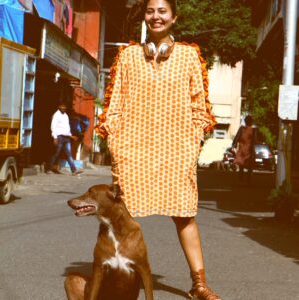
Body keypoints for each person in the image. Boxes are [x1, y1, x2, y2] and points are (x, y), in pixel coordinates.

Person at [96, 0, 220, 299]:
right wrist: (116, 139)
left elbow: (199, 106)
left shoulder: (190, 56)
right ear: (145, 17)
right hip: (132, 148)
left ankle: (199, 284)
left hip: (176, 149)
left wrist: (192, 141)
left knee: (185, 215)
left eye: (162, 11)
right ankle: (113, 278)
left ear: (173, 17)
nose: (156, 16)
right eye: (151, 11)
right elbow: (114, 106)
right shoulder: (127, 56)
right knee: (119, 216)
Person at [47, 103, 83, 176]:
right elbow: (53, 126)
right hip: (59, 137)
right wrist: (55, 137)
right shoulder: (56, 115)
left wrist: (71, 136)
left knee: (69, 154)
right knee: (56, 154)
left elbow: (67, 128)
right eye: (62, 107)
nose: (63, 108)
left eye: (64, 107)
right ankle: (48, 169)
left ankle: (74, 170)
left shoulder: (66, 115)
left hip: (66, 138)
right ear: (59, 107)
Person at [232, 115, 257, 185]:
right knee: (250, 167)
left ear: (245, 121)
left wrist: (233, 144)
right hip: (250, 150)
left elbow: (237, 137)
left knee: (241, 167)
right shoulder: (253, 130)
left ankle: (241, 181)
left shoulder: (242, 129)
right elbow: (255, 141)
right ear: (251, 122)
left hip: (242, 150)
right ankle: (248, 182)